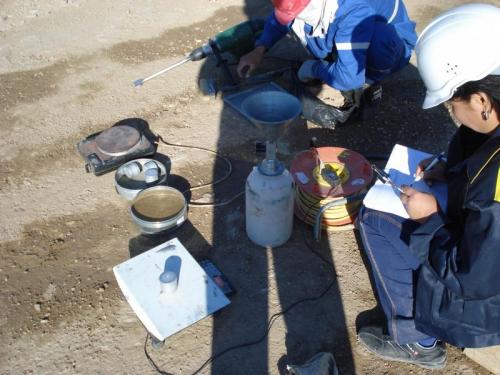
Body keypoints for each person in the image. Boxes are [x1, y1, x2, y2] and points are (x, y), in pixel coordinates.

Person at [355, 3, 500, 370]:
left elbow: (470, 279)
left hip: (486, 300)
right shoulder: (491, 125)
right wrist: (452, 170)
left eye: (452, 104)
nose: (451, 115)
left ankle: (418, 343)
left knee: (375, 219)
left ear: (481, 100)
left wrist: (431, 219)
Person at [237, 0, 417, 129]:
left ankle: (370, 78)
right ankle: (340, 62)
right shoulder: (313, 5)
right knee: (310, 32)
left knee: (379, 42)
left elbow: (349, 80)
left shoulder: (351, 10)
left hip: (392, 45)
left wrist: (313, 69)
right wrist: (260, 49)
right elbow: (284, 14)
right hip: (344, 22)